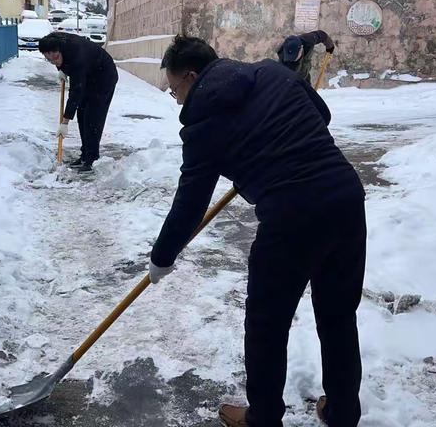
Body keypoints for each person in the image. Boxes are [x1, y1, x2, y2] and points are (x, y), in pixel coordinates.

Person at [148, 35, 366, 427]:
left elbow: (189, 205)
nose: (175, 97)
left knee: (266, 324)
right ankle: (343, 411)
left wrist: (162, 257)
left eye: (175, 88)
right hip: (346, 198)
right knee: (338, 316)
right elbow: (322, 114)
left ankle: (263, 417)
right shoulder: (271, 72)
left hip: (291, 216)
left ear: (193, 76)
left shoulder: (201, 125)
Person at [38, 32, 118, 172]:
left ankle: (91, 159)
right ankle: (85, 154)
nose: (54, 61)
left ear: (60, 50)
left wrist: (65, 121)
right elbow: (59, 59)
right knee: (82, 115)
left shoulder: (76, 57)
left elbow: (76, 92)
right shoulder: (54, 40)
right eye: (50, 60)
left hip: (103, 76)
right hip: (89, 75)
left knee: (92, 117)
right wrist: (61, 69)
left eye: (56, 58)